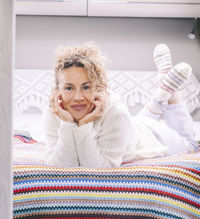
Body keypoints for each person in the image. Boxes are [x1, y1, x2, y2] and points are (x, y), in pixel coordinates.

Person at [42, 42, 198, 168]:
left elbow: (98, 168)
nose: (78, 97)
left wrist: (83, 124)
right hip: (133, 127)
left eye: (86, 87)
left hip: (152, 137)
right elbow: (62, 165)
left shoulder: (116, 114)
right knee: (137, 122)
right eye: (69, 88)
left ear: (98, 88)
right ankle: (160, 98)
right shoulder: (52, 113)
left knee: (190, 143)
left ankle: (168, 94)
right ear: (58, 90)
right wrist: (68, 123)